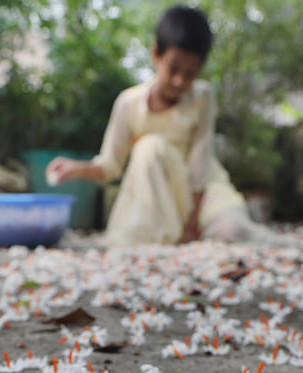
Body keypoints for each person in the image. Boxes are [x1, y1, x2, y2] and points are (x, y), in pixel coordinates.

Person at [44, 5, 267, 246]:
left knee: (234, 232)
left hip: (202, 192)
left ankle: (190, 232)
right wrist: (75, 169)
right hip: (155, 197)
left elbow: (200, 159)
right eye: (173, 68)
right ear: (156, 54)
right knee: (149, 147)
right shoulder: (129, 103)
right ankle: (167, 234)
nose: (179, 81)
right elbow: (110, 167)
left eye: (190, 74)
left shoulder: (202, 97)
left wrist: (192, 222)